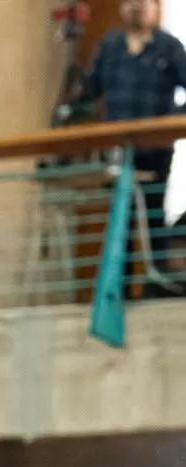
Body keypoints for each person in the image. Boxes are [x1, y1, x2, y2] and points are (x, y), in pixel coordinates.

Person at [86, 0, 186, 291]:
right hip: (118, 150)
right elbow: (91, 88)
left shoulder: (168, 47)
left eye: (143, 3)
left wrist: (171, 121)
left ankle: (157, 285)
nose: (137, 8)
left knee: (153, 213)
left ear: (155, 8)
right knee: (122, 219)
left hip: (155, 150)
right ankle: (121, 288)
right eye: (131, 2)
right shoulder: (111, 46)